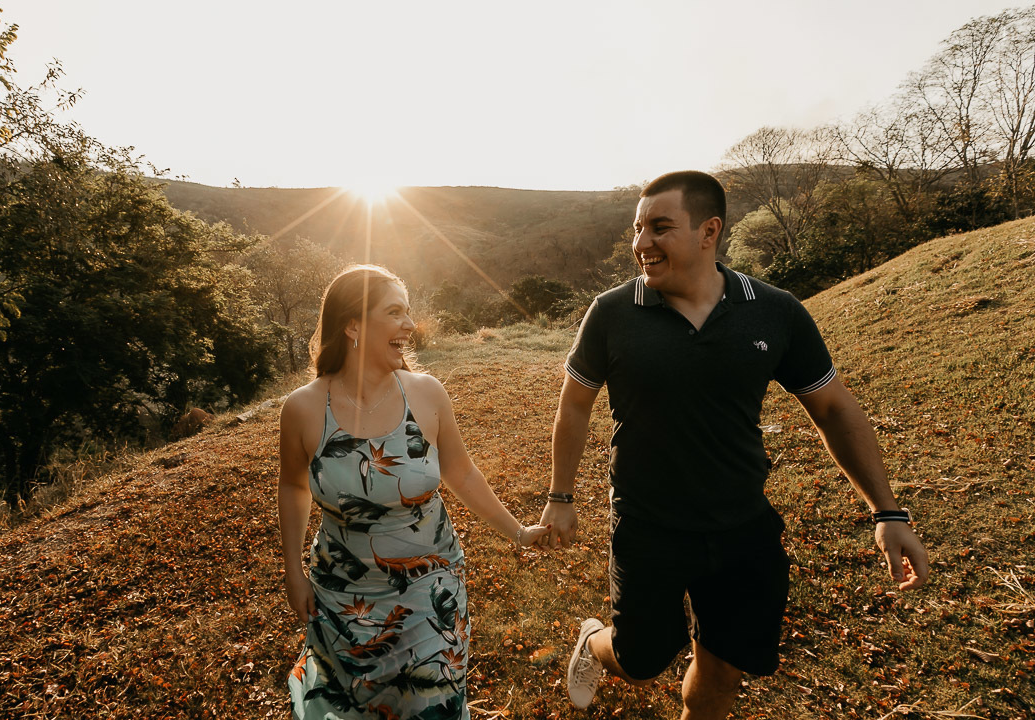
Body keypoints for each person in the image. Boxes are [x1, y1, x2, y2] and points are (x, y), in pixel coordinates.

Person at [538, 171, 929, 718]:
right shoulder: (612, 312)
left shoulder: (774, 311)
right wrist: (561, 496)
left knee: (723, 670)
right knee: (642, 658)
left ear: (709, 231)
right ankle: (595, 642)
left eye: (659, 227)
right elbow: (575, 404)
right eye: (637, 228)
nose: (640, 244)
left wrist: (887, 511)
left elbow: (835, 409)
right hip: (648, 524)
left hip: (742, 526)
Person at [278, 264, 548, 719]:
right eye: (396, 312)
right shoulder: (303, 408)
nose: (410, 325)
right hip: (345, 595)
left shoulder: (426, 394)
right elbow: (292, 485)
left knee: (432, 703)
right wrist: (291, 569)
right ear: (353, 325)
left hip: (430, 585)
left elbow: (461, 473)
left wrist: (517, 532)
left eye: (409, 312)